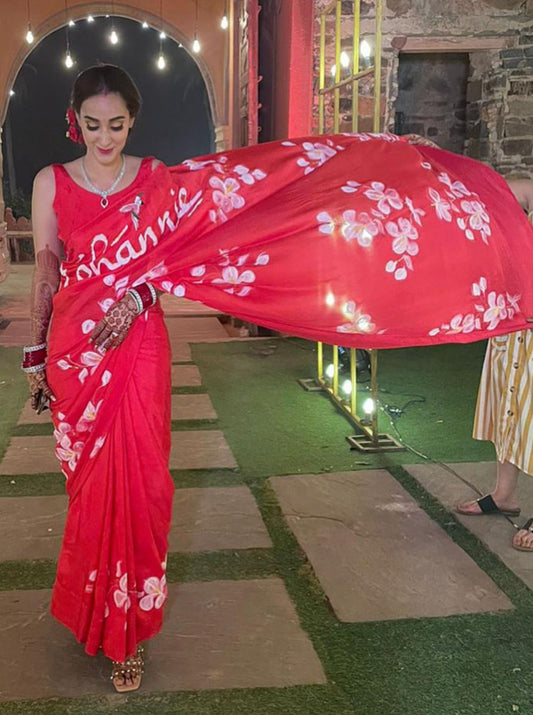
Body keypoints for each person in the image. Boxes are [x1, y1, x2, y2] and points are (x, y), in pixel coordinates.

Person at [25, 64, 533, 692]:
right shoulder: (51, 183)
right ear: (75, 122)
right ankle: (91, 612)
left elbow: (208, 235)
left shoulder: (159, 182)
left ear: (134, 121)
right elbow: (48, 271)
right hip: (77, 354)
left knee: (144, 486)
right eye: (93, 126)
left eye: (117, 125)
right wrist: (36, 351)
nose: (104, 139)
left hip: (137, 346)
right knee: (91, 494)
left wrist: (143, 294)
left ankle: (128, 631)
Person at [456, 179, 533, 553]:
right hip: (517, 321)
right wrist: (440, 164)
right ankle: (504, 494)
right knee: (509, 406)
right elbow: (491, 187)